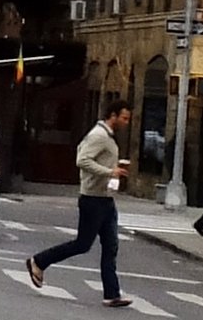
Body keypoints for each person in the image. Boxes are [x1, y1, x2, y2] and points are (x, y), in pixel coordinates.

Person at [27, 101, 133, 307]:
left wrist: (112, 171)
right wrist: (110, 172)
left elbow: (81, 150)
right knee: (83, 244)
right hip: (93, 199)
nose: (126, 122)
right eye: (124, 118)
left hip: (105, 199)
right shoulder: (99, 135)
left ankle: (112, 294)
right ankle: (39, 261)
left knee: (111, 246)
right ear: (113, 115)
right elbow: (82, 159)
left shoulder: (106, 136)